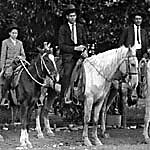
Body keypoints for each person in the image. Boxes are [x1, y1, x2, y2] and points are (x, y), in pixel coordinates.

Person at [58, 4, 88, 104]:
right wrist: (75, 48)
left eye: (74, 16)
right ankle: (64, 96)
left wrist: (85, 50)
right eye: (71, 16)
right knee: (67, 74)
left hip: (81, 55)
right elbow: (62, 46)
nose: (73, 18)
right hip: (69, 56)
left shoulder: (81, 27)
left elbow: (85, 41)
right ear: (67, 17)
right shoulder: (63, 28)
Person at [119, 11, 149, 98]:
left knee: (141, 72)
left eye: (140, 19)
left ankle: (140, 92)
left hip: (140, 53)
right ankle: (129, 93)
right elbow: (121, 43)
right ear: (133, 20)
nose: (138, 20)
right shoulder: (127, 30)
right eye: (136, 19)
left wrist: (146, 53)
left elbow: (146, 45)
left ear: (142, 20)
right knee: (130, 72)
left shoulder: (143, 31)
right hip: (131, 54)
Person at [0, 24, 26, 106]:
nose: (15, 35)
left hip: (19, 64)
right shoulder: (5, 42)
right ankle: (5, 97)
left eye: (16, 33)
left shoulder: (20, 43)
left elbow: (23, 55)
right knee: (9, 75)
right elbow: (3, 55)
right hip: (9, 64)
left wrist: (21, 57)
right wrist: (2, 68)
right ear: (10, 33)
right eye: (13, 33)